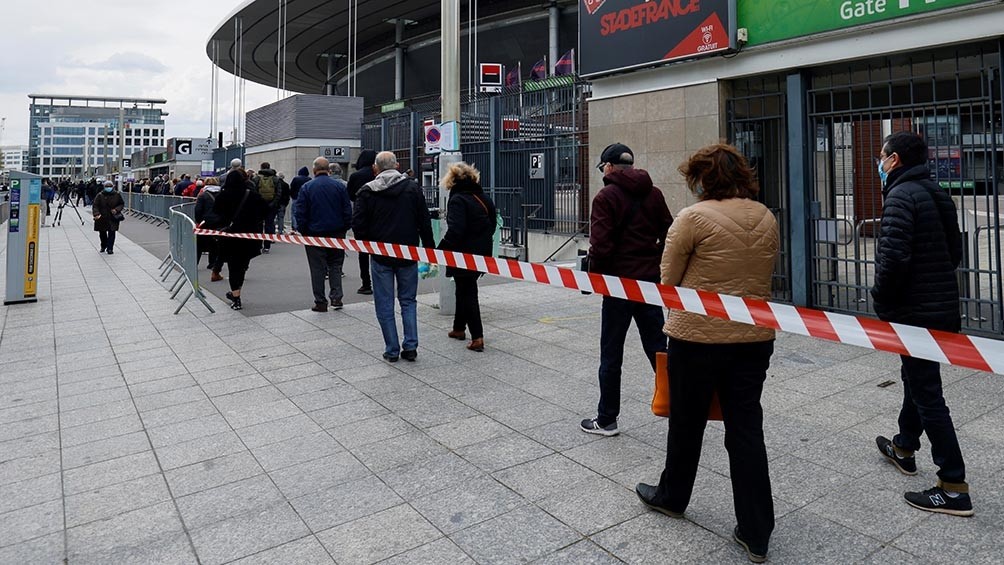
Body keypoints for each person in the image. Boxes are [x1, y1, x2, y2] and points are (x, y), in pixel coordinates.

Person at [634, 144, 779, 564]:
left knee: (686, 421)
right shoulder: (766, 215)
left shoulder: (692, 218)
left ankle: (672, 496)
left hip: (696, 339)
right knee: (746, 429)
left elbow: (668, 279)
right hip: (754, 339)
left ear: (703, 178)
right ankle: (756, 531)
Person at [871, 131, 972, 517]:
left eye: (882, 156)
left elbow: (893, 258)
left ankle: (953, 484)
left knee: (928, 392)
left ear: (894, 160)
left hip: (914, 312)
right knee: (916, 377)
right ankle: (904, 445)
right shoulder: (935, 192)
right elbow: (955, 251)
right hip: (941, 307)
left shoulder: (900, 196)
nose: (879, 163)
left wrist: (882, 300)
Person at [580, 143, 673, 437]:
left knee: (611, 352)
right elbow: (669, 234)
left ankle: (607, 419)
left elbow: (602, 247)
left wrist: (596, 276)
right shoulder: (654, 193)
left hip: (619, 286)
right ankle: (683, 408)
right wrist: (653, 263)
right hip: (647, 284)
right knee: (659, 349)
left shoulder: (605, 197)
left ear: (608, 167)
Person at [352, 151, 434, 362]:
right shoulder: (412, 189)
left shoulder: (366, 191)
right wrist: (430, 249)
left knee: (384, 303)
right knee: (408, 301)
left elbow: (358, 227)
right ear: (397, 166)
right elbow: (424, 221)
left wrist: (369, 246)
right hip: (408, 254)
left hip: (380, 256)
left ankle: (391, 349)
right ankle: (411, 346)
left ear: (375, 168)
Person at [438, 162, 497, 352]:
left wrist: (441, 249)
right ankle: (458, 328)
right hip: (481, 253)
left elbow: (456, 230)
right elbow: (492, 225)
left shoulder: (457, 200)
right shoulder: (484, 198)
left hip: (462, 254)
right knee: (463, 289)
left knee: (468, 293)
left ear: (452, 180)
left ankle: (477, 336)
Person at [295, 158, 353, 312]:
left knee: (317, 268)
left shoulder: (307, 187)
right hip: (336, 233)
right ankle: (336, 298)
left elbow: (300, 212)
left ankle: (320, 302)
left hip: (314, 234)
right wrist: (344, 228)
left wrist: (304, 231)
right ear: (328, 170)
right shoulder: (339, 187)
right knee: (335, 265)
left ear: (314, 170)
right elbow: (347, 210)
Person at [213, 169, 268, 310]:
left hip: (229, 238)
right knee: (242, 266)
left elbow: (215, 214)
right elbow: (265, 211)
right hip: (249, 237)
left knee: (233, 267)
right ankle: (236, 292)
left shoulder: (222, 196)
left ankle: (236, 297)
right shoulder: (252, 195)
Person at [348, 149, 378, 294]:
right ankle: (381, 281)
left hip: (361, 217)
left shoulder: (355, 176)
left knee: (363, 253)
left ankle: (366, 283)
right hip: (379, 217)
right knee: (380, 252)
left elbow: (350, 195)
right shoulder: (377, 174)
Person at [195, 177, 224, 282]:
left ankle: (195, 263)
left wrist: (199, 220)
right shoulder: (222, 195)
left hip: (205, 222)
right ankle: (212, 263)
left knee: (199, 244)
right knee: (215, 244)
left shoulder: (203, 195)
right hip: (219, 222)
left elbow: (198, 210)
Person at [252, 162, 283, 253]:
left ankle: (258, 245)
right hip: (271, 206)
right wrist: (273, 203)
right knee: (269, 225)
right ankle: (267, 246)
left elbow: (254, 192)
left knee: (259, 225)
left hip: (259, 206)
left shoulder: (256, 178)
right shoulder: (275, 179)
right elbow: (278, 193)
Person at [92, 180, 126, 254]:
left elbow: (121, 204)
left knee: (112, 232)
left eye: (110, 186)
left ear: (112, 187)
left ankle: (110, 248)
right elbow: (95, 205)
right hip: (102, 217)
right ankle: (103, 246)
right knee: (102, 233)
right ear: (104, 187)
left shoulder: (117, 195)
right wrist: (96, 213)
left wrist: (116, 209)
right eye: (107, 186)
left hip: (112, 217)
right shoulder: (100, 195)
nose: (108, 188)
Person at [289, 166, 311, 233]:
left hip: (296, 198)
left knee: (294, 213)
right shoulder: (309, 179)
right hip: (306, 199)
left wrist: (292, 196)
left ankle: (295, 227)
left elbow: (291, 188)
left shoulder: (296, 179)